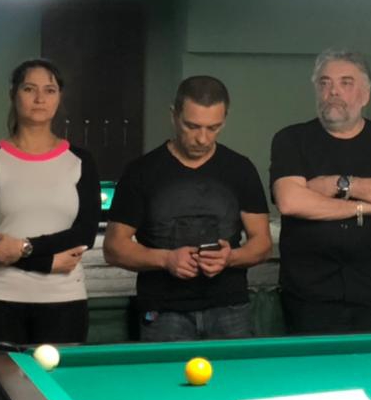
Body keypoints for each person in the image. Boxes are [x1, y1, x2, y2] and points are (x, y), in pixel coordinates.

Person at [104, 76, 273, 341]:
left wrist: (230, 257)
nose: (202, 139)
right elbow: (114, 248)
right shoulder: (141, 172)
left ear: (225, 119)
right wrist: (166, 259)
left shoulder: (240, 168)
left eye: (213, 128)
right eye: (192, 126)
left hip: (229, 306)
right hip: (162, 310)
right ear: (174, 115)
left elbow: (262, 243)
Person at [270, 49, 371, 334]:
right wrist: (366, 206)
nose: (333, 91)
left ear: (365, 95)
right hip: (309, 295)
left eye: (346, 83)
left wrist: (338, 185)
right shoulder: (291, 139)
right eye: (325, 83)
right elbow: (291, 201)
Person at [0, 59, 99, 347]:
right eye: (29, 89)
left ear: (59, 97)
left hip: (64, 299)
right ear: (13, 94)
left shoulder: (80, 160)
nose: (40, 98)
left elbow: (85, 233)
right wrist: (44, 262)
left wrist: (23, 248)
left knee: (56, 377)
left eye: (49, 90)